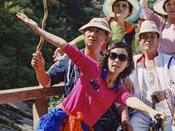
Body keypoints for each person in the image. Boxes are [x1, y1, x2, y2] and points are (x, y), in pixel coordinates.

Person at [16, 12, 164, 130]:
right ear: (108, 58)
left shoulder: (117, 88)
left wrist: (150, 111)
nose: (116, 60)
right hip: (60, 121)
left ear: (127, 64)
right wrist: (36, 29)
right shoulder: (91, 67)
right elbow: (64, 45)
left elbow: (129, 100)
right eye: (113, 56)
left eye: (122, 58)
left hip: (87, 126)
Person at [31, 17, 131, 131]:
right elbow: (46, 81)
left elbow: (119, 96)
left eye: (98, 31)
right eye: (89, 30)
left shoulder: (111, 63)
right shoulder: (69, 59)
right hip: (70, 118)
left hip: (103, 122)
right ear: (84, 34)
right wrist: (39, 68)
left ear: (106, 37)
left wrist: (125, 119)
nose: (92, 34)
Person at [129, 20, 175, 131]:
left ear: (158, 40)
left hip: (165, 111)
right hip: (141, 111)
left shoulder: (168, 61)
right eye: (144, 37)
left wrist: (166, 93)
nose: (148, 39)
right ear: (140, 41)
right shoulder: (133, 62)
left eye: (152, 36)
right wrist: (125, 77)